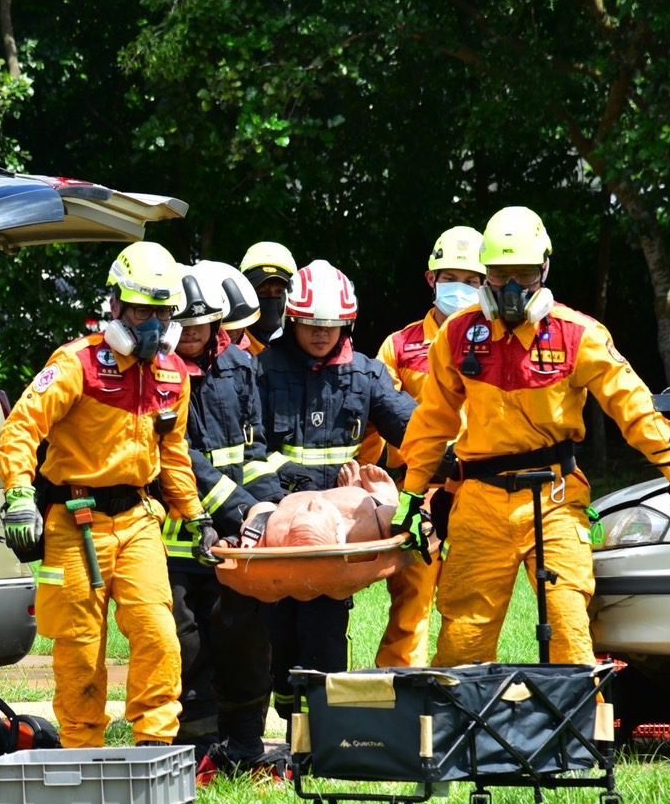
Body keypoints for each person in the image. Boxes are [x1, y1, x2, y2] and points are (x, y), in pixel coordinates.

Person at [393, 206, 670, 666]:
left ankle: (577, 734)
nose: (512, 288)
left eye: (523, 274)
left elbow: (632, 407)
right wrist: (412, 494)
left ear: (544, 270)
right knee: (464, 636)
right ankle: (457, 734)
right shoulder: (458, 336)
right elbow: (432, 421)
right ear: (486, 277)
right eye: (500, 276)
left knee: (567, 625)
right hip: (480, 501)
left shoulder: (579, 335)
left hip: (556, 497)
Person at [0, 241, 218, 748]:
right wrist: (18, 497)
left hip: (138, 518)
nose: (152, 325)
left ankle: (156, 748)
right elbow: (20, 430)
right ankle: (81, 751)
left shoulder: (172, 375)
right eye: (141, 310)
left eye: (162, 312)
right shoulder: (76, 364)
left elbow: (175, 456)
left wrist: (197, 516)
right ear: (115, 305)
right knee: (79, 646)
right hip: (73, 521)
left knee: (159, 634)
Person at [254, 260, 417, 717]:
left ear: (347, 324)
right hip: (278, 529)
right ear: (292, 319)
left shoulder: (364, 375)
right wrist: (298, 486)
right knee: (278, 631)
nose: (322, 333)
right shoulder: (261, 373)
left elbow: (414, 427)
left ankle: (316, 736)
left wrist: (460, 458)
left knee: (324, 632)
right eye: (311, 324)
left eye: (331, 325)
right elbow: (249, 447)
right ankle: (289, 717)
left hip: (337, 537)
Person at [162, 259, 286, 768]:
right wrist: (239, 512)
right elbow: (177, 460)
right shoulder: (158, 373)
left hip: (238, 542)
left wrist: (270, 507)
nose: (192, 334)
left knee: (245, 641)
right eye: (183, 324)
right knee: (184, 646)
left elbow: (254, 451)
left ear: (218, 323)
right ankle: (195, 753)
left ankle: (246, 747)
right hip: (176, 544)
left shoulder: (238, 368)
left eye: (201, 324)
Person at [364, 226, 486, 668]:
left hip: (479, 490)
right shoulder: (399, 346)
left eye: (474, 280)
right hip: (419, 489)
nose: (464, 288)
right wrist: (364, 486)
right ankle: (402, 694)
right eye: (453, 277)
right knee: (411, 602)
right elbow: (374, 420)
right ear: (431, 279)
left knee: (470, 603)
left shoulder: (497, 342)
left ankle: (458, 692)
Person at [239, 241, 299, 354]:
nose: (271, 298)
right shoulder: (229, 348)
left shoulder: (304, 347)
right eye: (262, 292)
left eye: (279, 292)